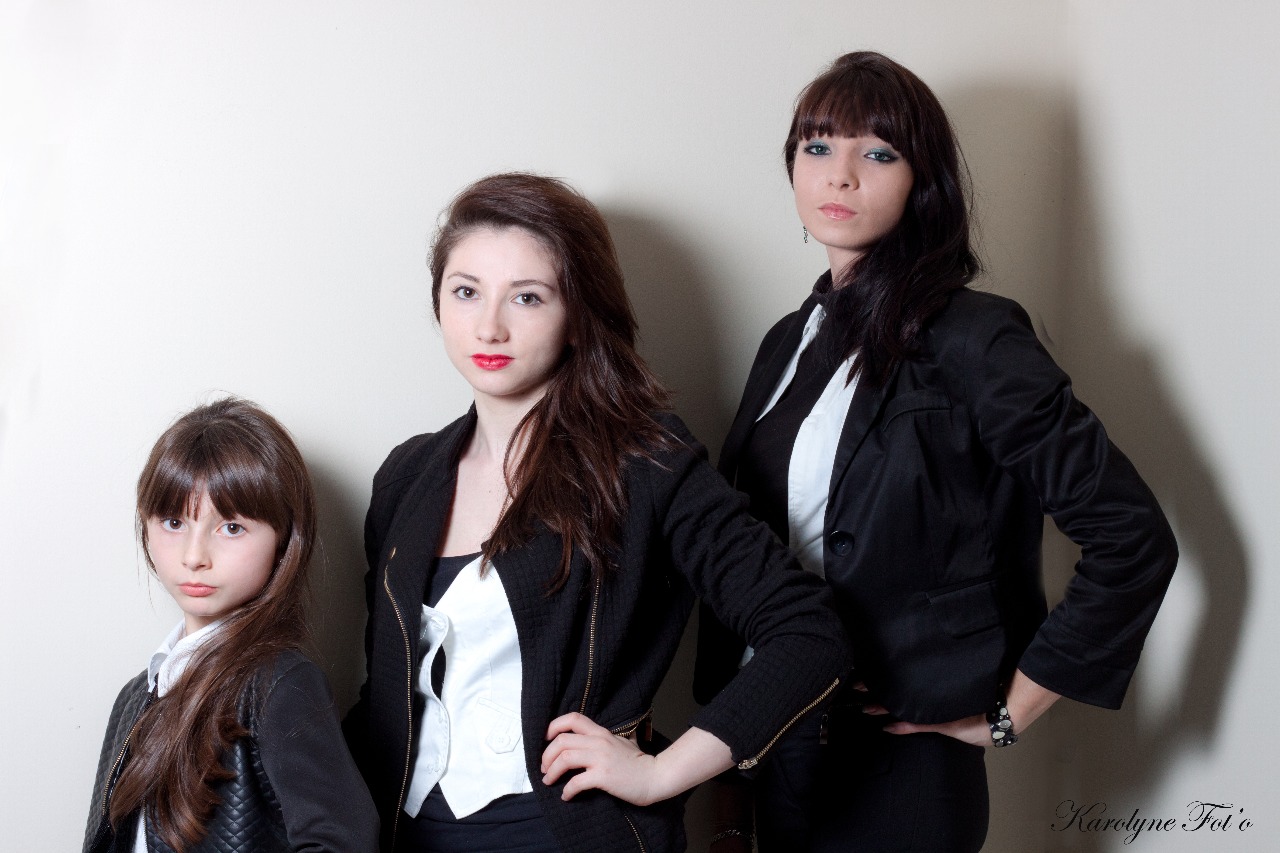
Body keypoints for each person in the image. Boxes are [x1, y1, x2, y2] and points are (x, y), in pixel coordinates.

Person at [693, 51, 1179, 852]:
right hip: (777, 747)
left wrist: (1009, 714)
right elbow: (752, 557)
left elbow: (1132, 536)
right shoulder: (788, 340)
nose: (840, 174)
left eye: (879, 152)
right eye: (819, 146)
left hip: (899, 768)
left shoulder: (975, 337)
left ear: (925, 182)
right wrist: (731, 786)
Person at [342, 172, 849, 853]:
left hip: (563, 836)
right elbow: (385, 693)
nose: (489, 325)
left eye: (527, 296)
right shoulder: (406, 476)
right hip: (407, 835)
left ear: (578, 313)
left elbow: (808, 632)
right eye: (466, 291)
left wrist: (661, 771)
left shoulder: (644, 463)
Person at [84, 398, 379, 853]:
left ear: (284, 539)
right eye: (174, 522)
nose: (194, 556)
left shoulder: (280, 685)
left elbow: (342, 840)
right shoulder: (134, 697)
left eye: (232, 528)